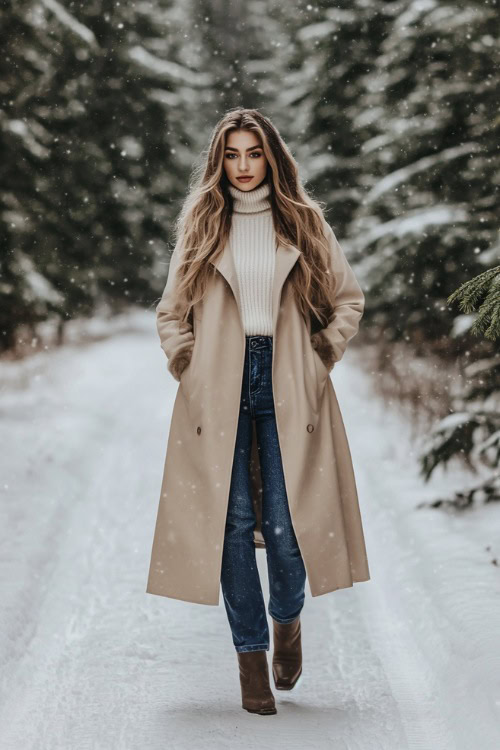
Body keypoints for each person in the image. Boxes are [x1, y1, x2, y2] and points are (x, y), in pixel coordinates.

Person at [146, 107, 370, 716]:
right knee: (229, 528)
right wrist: (186, 364)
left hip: (289, 381)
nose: (243, 167)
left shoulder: (303, 222)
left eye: (254, 153)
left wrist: (321, 355)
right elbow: (171, 311)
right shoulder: (202, 223)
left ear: (271, 156)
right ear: (219, 161)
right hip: (217, 387)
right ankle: (250, 661)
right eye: (232, 155)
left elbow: (348, 299)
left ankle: (286, 621)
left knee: (288, 525)